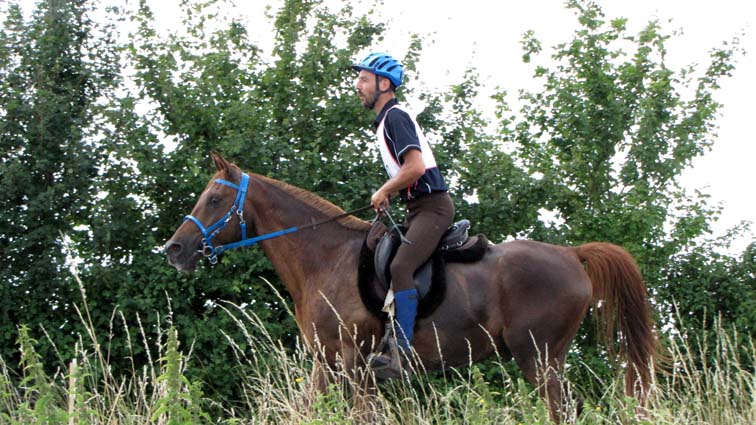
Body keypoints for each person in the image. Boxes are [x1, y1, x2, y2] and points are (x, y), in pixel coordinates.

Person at [353, 52, 455, 376]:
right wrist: (391, 193)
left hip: (433, 209)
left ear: (384, 84)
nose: (357, 85)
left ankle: (402, 353)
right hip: (417, 209)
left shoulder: (395, 117)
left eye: (364, 79)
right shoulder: (385, 122)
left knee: (401, 266)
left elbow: (415, 167)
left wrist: (384, 190)